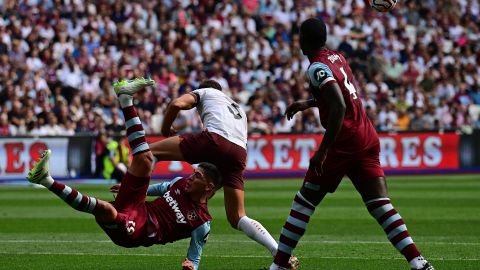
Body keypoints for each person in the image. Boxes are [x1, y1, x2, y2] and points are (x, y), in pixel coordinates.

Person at [269, 18, 434, 270]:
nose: (297, 40)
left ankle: (279, 265)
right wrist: (308, 103)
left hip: (344, 141)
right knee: (380, 204)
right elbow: (345, 94)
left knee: (304, 202)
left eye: (299, 35)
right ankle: (419, 262)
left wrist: (322, 152)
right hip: (366, 135)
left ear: (304, 39)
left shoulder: (316, 68)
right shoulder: (336, 57)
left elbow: (339, 106)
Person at [27, 85, 223, 270]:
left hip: (139, 231)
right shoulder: (180, 182)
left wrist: (190, 265)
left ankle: (46, 180)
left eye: (196, 176)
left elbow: (195, 257)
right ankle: (126, 98)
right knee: (146, 158)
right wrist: (131, 188)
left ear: (209, 186)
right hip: (136, 206)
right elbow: (161, 187)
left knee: (105, 209)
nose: (190, 178)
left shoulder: (202, 222)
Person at [113, 78, 298, 268]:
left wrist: (165, 129)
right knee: (238, 217)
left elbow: (176, 104)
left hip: (216, 140)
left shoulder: (207, 93)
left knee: (148, 153)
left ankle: (132, 200)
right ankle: (280, 253)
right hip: (238, 153)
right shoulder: (238, 109)